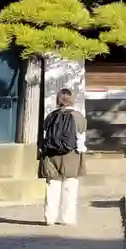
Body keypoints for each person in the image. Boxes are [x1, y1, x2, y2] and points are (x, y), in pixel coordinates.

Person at [39, 88, 86, 227]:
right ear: (72, 99)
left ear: (58, 100)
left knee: (52, 185)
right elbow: (81, 136)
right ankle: (67, 218)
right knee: (70, 186)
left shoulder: (50, 116)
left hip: (51, 154)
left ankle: (49, 218)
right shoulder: (78, 117)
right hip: (71, 154)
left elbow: (44, 134)